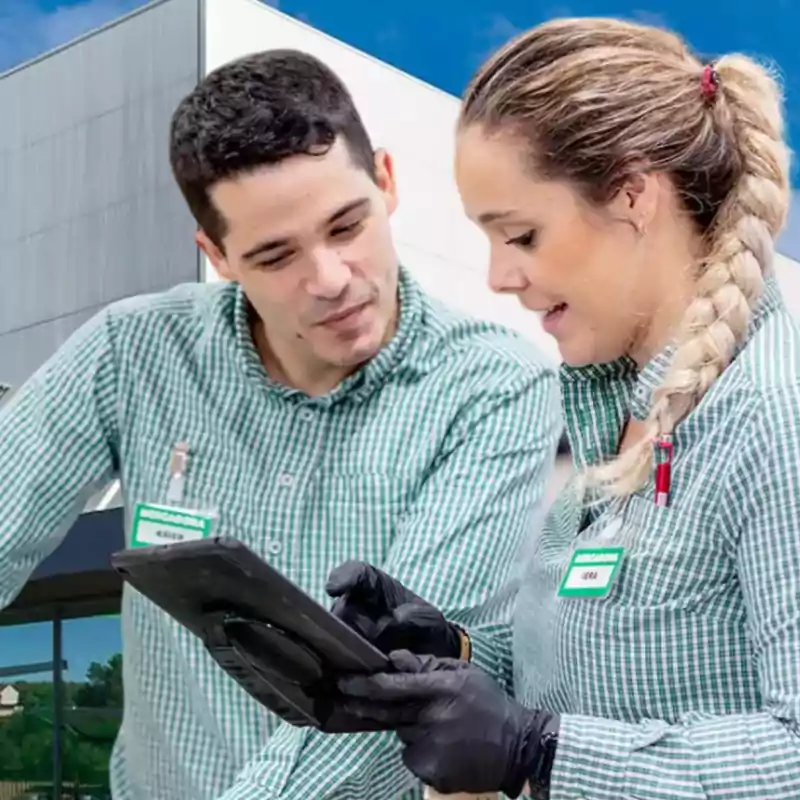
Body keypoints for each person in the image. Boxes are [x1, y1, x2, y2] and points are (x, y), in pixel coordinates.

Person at [324, 16, 800, 800]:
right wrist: (454, 652)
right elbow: (588, 680)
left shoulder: (796, 422)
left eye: (522, 235)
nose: (500, 276)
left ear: (635, 195)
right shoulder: (618, 432)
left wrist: (536, 755)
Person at [0, 49, 560, 800]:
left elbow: (399, 694)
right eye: (275, 255)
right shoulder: (128, 353)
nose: (330, 280)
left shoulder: (495, 386)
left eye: (347, 225)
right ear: (218, 256)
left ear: (386, 182)